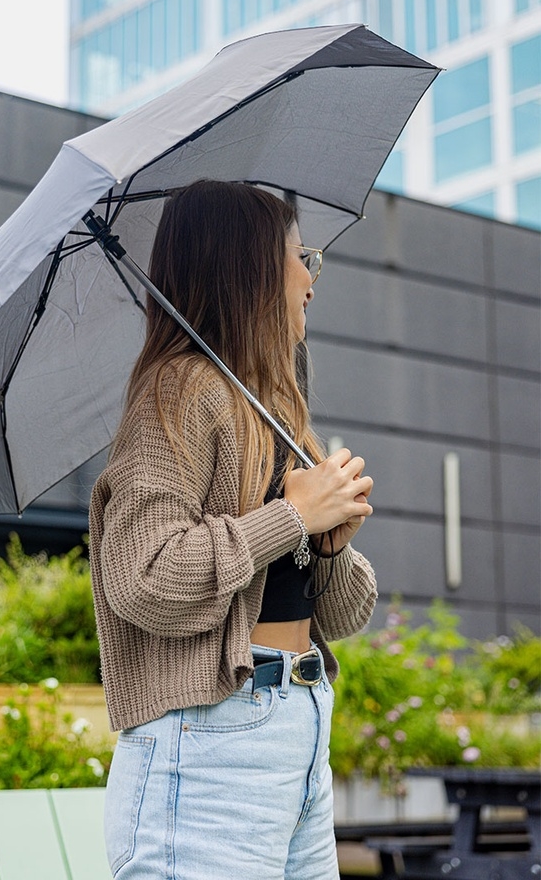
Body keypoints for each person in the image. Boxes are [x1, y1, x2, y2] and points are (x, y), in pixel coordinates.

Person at [89, 179, 377, 880]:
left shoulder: (277, 410)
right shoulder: (179, 392)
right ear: (247, 267)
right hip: (211, 741)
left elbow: (341, 615)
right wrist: (291, 517)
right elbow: (144, 577)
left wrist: (326, 544)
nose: (311, 276)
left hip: (297, 726)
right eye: (299, 255)